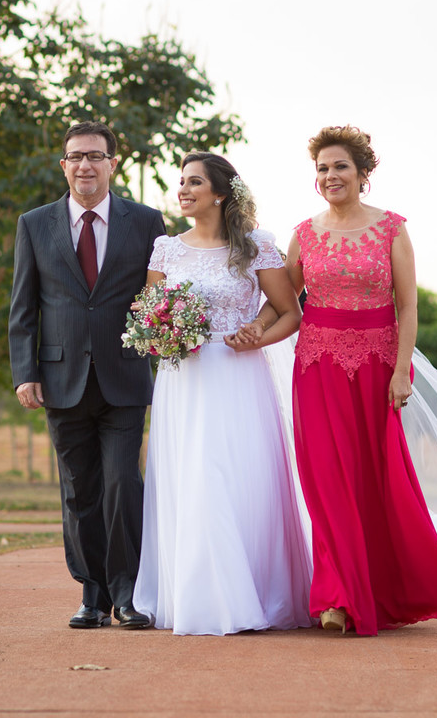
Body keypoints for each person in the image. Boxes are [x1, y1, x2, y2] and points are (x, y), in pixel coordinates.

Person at [252, 125, 437, 636]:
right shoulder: (304, 234)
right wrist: (256, 329)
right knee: (327, 480)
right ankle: (336, 596)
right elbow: (283, 300)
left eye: (340, 167)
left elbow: (408, 305)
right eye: (323, 169)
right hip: (317, 368)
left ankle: (382, 588)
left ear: (363, 174)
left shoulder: (392, 229)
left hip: (377, 369)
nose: (331, 176)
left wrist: (402, 370)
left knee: (377, 479)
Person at [132, 151, 313, 635]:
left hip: (239, 375)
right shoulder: (166, 249)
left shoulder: (256, 246)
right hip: (184, 380)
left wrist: (257, 333)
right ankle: (201, 598)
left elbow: (289, 311)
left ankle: (255, 592)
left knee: (239, 479)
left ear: (219, 192)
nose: (183, 190)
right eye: (181, 182)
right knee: (194, 476)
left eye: (194, 182)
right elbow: (151, 315)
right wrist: (164, 335)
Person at [8, 121, 167, 629]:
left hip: (124, 378)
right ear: (64, 165)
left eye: (95, 156)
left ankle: (126, 594)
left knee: (123, 484)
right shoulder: (34, 224)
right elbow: (23, 307)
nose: (85, 165)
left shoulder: (145, 222)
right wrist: (24, 372)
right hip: (61, 378)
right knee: (79, 492)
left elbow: (159, 300)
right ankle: (92, 594)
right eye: (76, 156)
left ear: (112, 164)